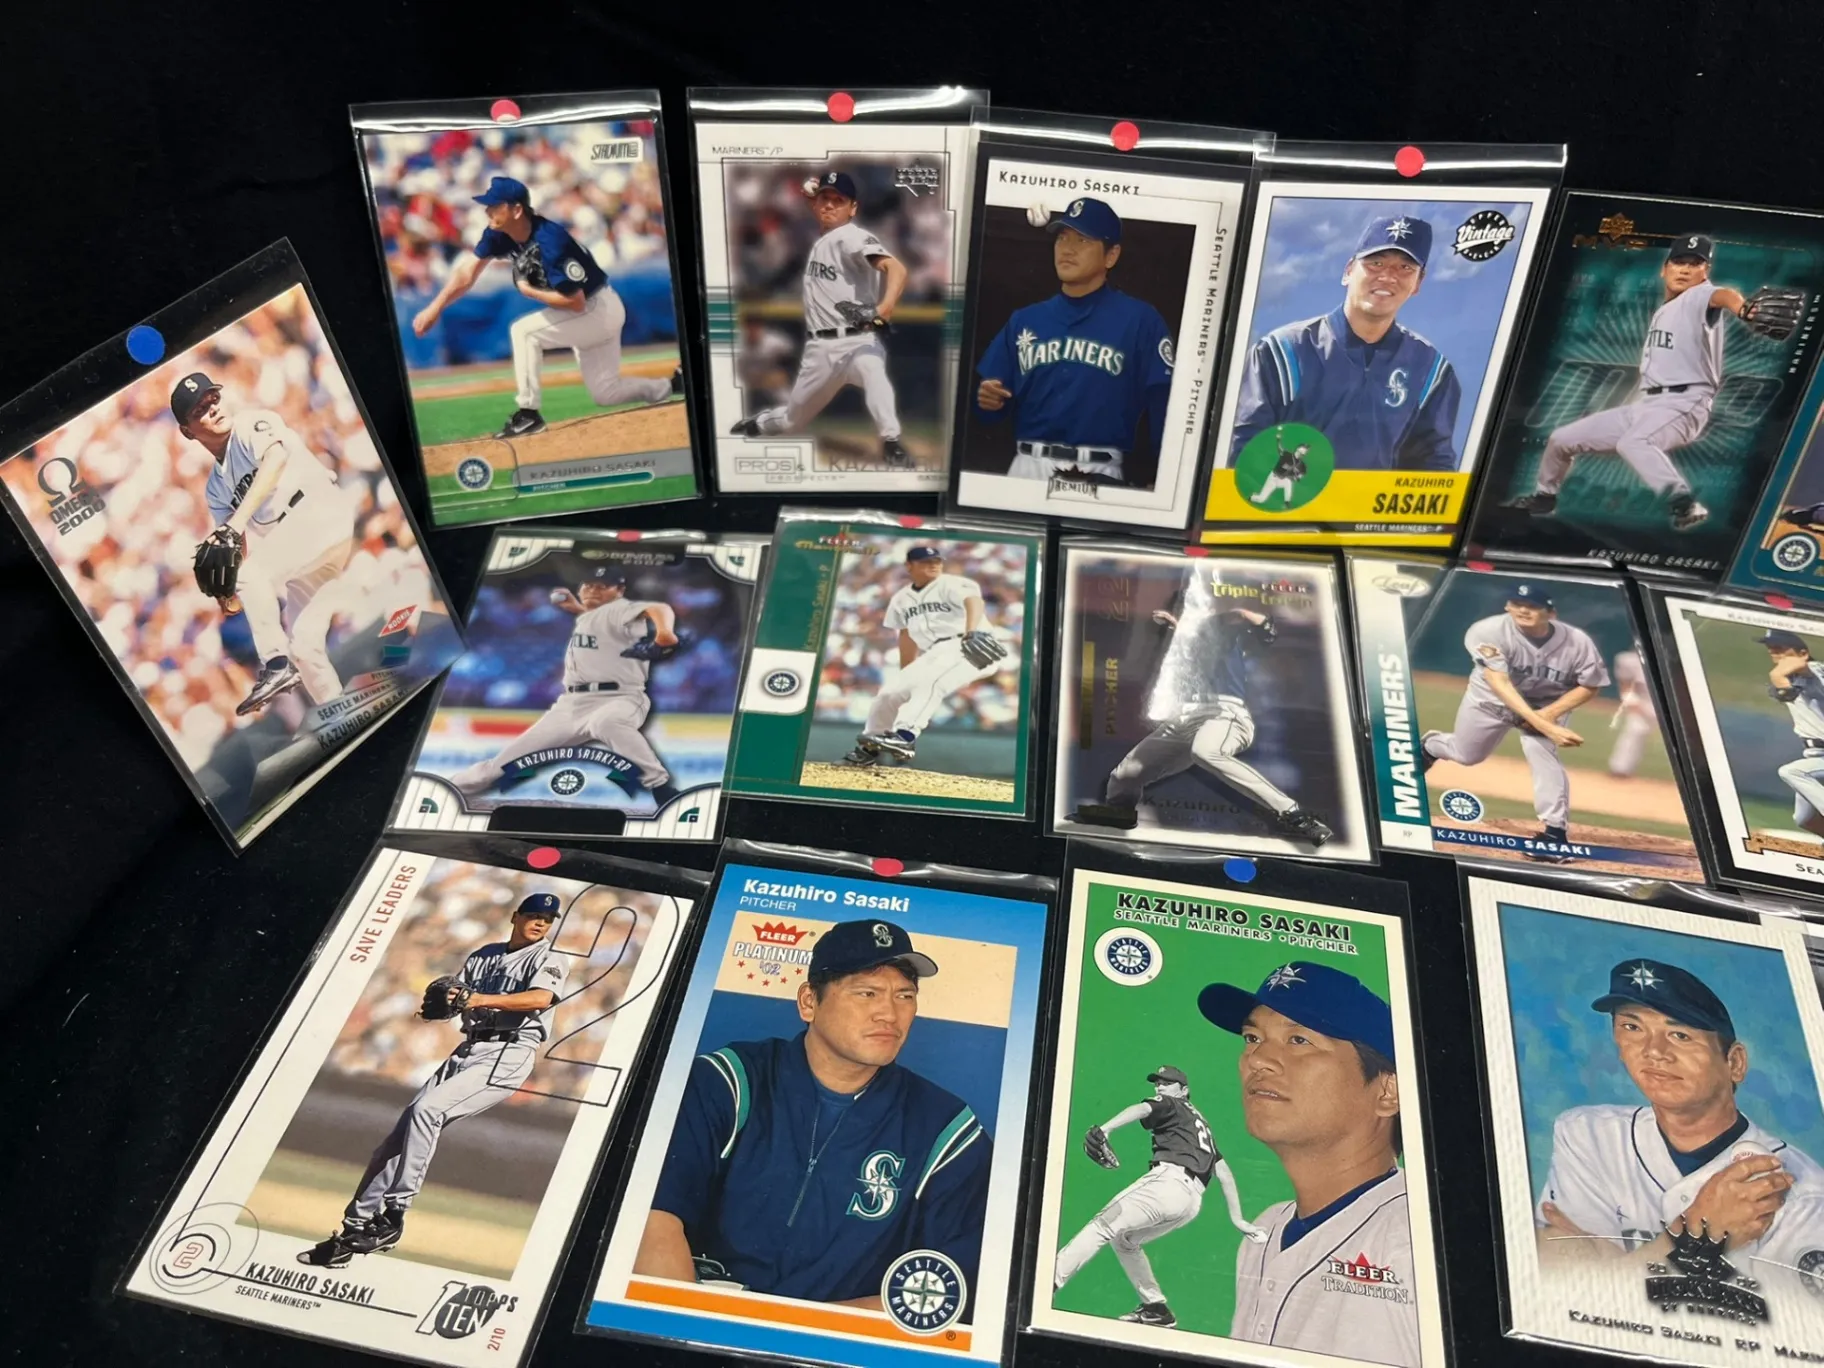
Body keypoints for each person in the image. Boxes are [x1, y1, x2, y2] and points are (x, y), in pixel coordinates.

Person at [634, 919, 991, 1306]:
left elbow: (947, 1290)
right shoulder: (729, 1081)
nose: (889, 1014)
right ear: (809, 1002)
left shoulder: (946, 1130)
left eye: (905, 995)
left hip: (836, 1337)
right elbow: (651, 1220)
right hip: (695, 1315)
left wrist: (794, 1333)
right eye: (867, 993)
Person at [297, 893, 569, 1267]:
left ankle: (394, 1215)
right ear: (515, 916)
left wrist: (476, 999)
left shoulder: (548, 957)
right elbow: (459, 999)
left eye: (548, 919)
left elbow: (541, 998)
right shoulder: (484, 955)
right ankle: (353, 1231)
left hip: (510, 1051)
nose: (541, 923)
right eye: (535, 915)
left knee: (427, 1111)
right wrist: (451, 1002)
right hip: (468, 1048)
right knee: (394, 1144)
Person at [1200, 962, 1419, 1367]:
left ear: (1388, 1091)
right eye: (1252, 1037)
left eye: (1299, 1040)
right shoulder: (1265, 1228)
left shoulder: (1420, 1239)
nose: (1258, 1059)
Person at [1535, 957, 1824, 1264]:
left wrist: (1620, 1268)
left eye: (1680, 1035)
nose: (1654, 1051)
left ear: (1734, 1062)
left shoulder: (1804, 1195)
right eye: (1632, 1027)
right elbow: (1559, 1278)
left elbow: (1592, 1283)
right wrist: (1694, 1236)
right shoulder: (1587, 1136)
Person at [1501, 234, 1798, 532]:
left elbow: (1723, 295)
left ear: (1705, 271)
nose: (1685, 269)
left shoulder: (1698, 297)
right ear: (1664, 269)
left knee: (1634, 443)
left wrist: (1744, 309)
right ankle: (1544, 498)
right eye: (1679, 262)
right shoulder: (1665, 309)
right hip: (1647, 405)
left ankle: (1684, 502)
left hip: (1685, 404)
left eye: (1694, 264)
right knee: (1561, 439)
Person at [1070, 576, 1335, 846]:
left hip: (1224, 714)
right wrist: (1176, 626)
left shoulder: (1222, 631)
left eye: (1189, 608)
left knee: (1206, 752)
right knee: (1125, 774)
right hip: (1185, 719)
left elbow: (1267, 631)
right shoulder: (1180, 640)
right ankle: (1119, 812)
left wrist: (1241, 614)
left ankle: (1295, 814)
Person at [410, 176, 679, 439]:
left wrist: (530, 291)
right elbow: (466, 273)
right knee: (606, 393)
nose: (487, 210)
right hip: (587, 311)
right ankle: (671, 385)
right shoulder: (499, 233)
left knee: (524, 331)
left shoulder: (551, 240)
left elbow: (576, 302)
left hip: (596, 309)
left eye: (495, 205)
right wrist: (435, 307)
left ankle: (528, 413)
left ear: (517, 210)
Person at [174, 371, 356, 715]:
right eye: (200, 410)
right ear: (187, 431)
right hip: (304, 548)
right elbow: (234, 546)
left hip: (318, 511)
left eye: (214, 399)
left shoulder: (251, 424)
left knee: (252, 575)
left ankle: (275, 665)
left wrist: (236, 525)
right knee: (304, 648)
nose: (213, 408)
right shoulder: (215, 487)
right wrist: (226, 595)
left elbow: (275, 461)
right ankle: (342, 718)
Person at [972, 197, 1174, 488]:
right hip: (1027, 466)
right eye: (1062, 238)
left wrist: (1165, 481)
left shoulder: (1141, 320)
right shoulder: (1025, 320)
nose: (1067, 248)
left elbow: (1164, 404)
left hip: (1100, 470)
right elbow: (988, 412)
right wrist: (987, 401)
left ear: (1111, 256)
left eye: (1083, 240)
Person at [1231, 215, 1459, 472]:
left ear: (1418, 283)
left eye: (1405, 268)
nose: (1388, 276)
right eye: (1376, 263)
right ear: (1348, 271)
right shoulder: (1280, 352)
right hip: (1287, 494)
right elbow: (1242, 449)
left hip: (1374, 500)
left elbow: (1434, 466)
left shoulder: (1431, 371)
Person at [447, 565, 682, 806]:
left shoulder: (621, 610)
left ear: (619, 590)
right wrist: (576, 608)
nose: (593, 590)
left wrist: (665, 634)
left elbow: (659, 608)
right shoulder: (592, 617)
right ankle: (449, 789)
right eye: (589, 585)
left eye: (603, 586)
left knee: (606, 723)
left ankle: (661, 788)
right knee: (503, 764)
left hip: (618, 698)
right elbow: (597, 623)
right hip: (572, 704)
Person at [1053, 1065, 1266, 1329]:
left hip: (1169, 1183)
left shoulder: (1173, 1104)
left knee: (1103, 1225)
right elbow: (1224, 1173)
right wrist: (1238, 1219)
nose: (1160, 1087)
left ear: (1184, 1090)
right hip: (1190, 1203)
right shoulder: (1201, 1127)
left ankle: (1049, 1280)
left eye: (1167, 1082)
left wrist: (1106, 1129)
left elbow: (1143, 1109)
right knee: (1125, 1240)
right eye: (1158, 1083)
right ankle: (1156, 1307)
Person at [1418, 583, 1610, 862]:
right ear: (1507, 606)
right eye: (1517, 604)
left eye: (1532, 606)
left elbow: (1590, 685)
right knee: (1467, 755)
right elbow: (1500, 684)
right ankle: (1431, 746)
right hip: (1491, 701)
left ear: (1551, 613)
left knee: (1541, 752)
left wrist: (1548, 716)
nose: (1523, 610)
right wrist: (1543, 724)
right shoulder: (1488, 631)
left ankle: (1554, 835)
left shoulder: (1577, 642)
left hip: (1547, 705)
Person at [730, 170, 911, 465]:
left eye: (838, 200)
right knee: (792, 420)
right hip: (820, 350)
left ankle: (891, 441)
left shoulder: (852, 237)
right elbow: (814, 200)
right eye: (825, 199)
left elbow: (896, 268)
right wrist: (812, 193)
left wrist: (886, 306)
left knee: (873, 371)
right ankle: (759, 424)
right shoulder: (822, 239)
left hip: (858, 340)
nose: (829, 205)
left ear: (853, 208)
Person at [843, 546, 1010, 768]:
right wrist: (906, 674)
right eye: (925, 561)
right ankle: (869, 750)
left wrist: (971, 632)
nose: (933, 565)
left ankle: (905, 737)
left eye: (936, 561)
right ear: (909, 566)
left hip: (970, 645)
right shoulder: (901, 598)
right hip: (934, 651)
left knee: (932, 683)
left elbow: (974, 602)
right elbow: (906, 636)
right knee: (889, 693)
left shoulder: (953, 583)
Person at [1754, 629, 1824, 839]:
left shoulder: (1814, 669)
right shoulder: (1791, 677)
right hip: (1814, 755)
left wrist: (1778, 676)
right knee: (1805, 819)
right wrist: (1781, 680)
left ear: (1803, 653)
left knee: (1792, 772)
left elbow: (1803, 667)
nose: (1776, 655)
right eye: (1772, 651)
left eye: (1781, 649)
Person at [1605, 649, 1658, 778]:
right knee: (1635, 729)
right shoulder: (1629, 660)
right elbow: (1625, 685)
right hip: (1644, 702)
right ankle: (1620, 769)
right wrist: (1632, 702)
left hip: (1665, 704)